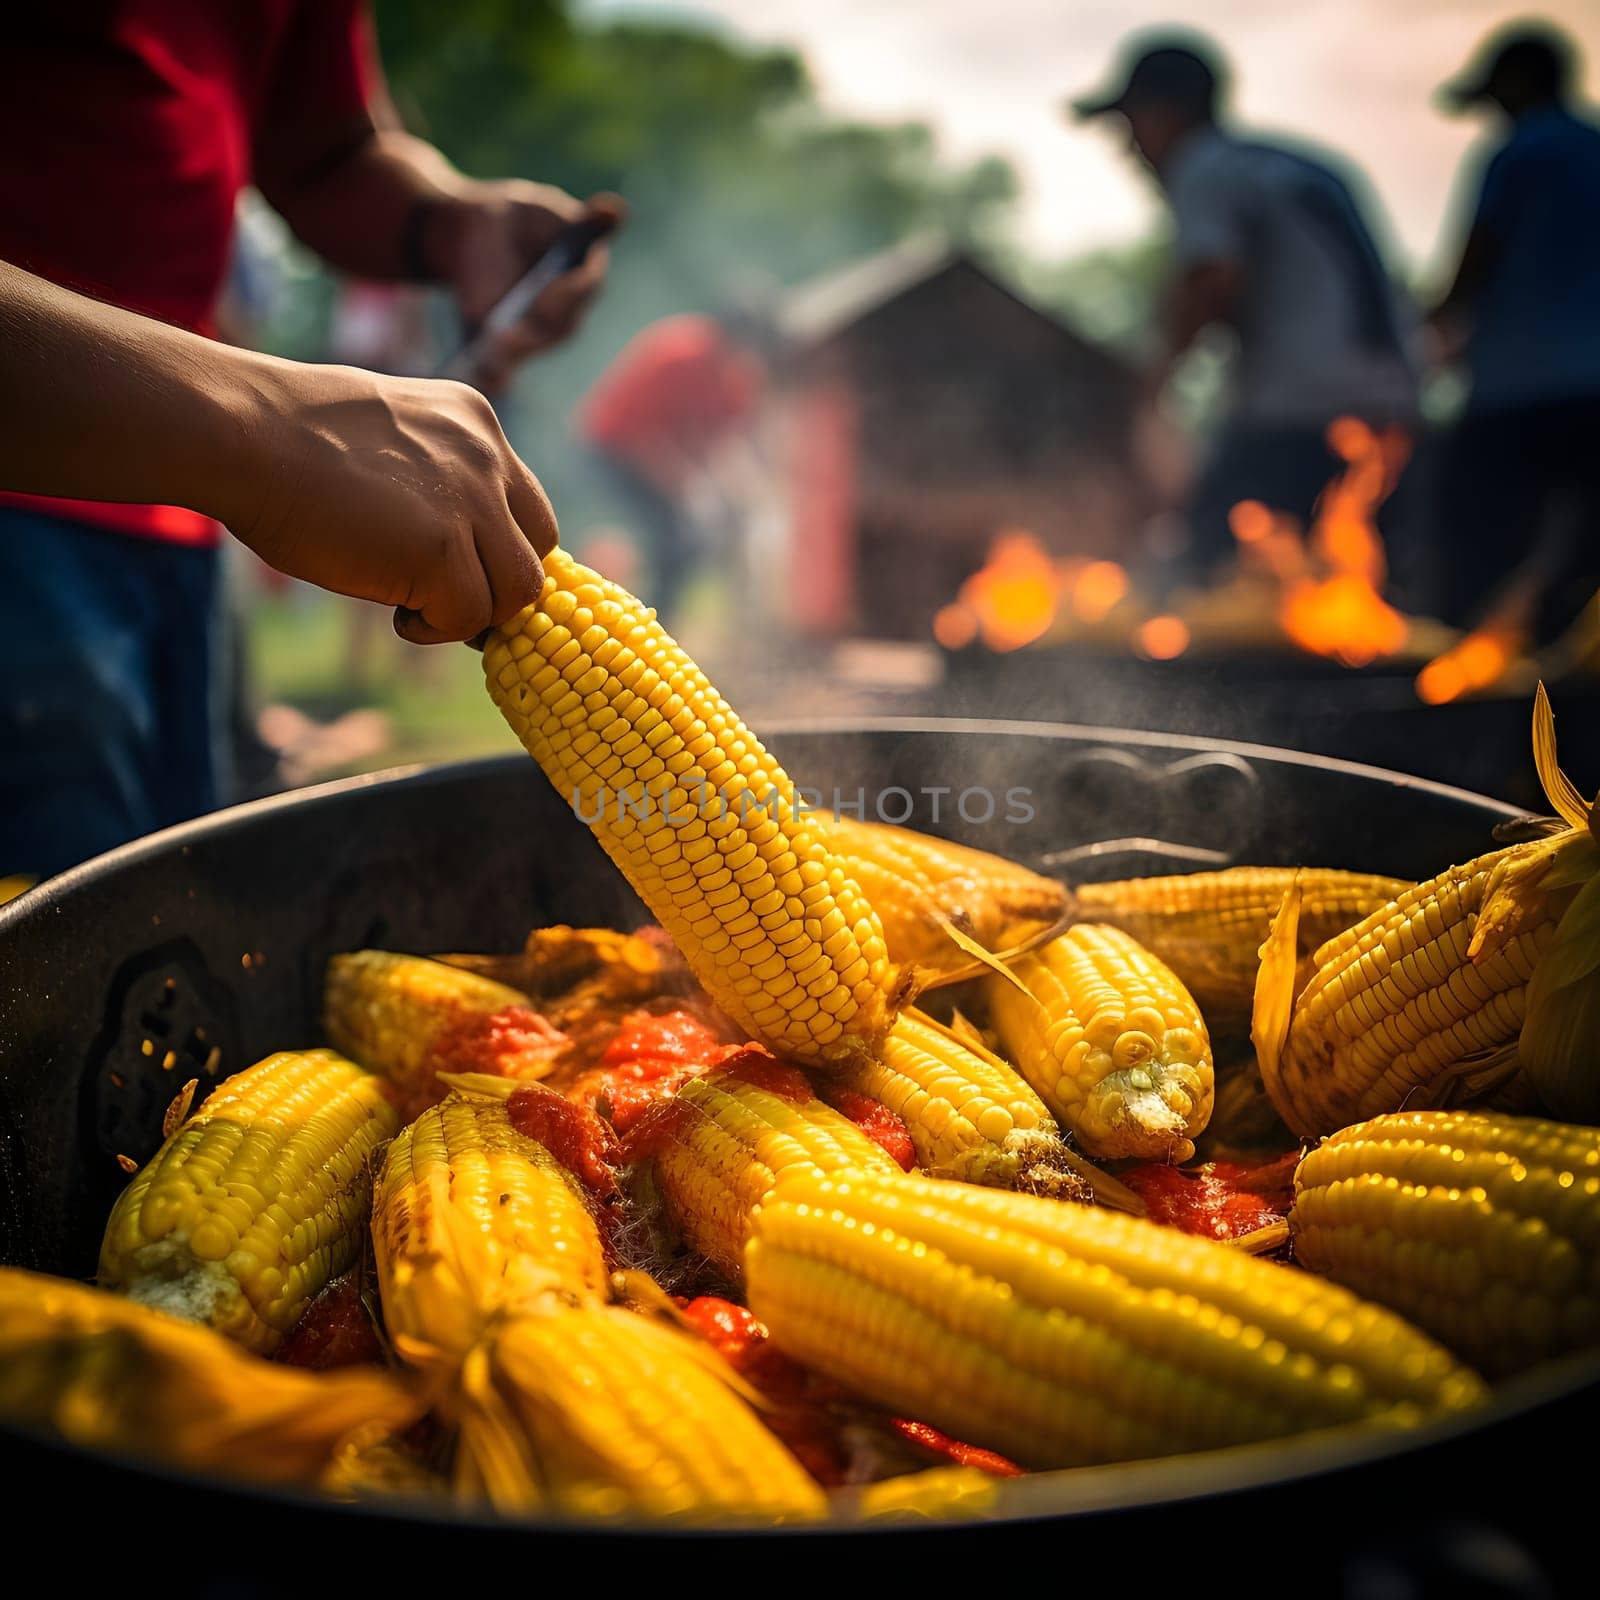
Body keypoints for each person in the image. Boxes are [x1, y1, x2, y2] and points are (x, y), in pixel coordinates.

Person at [0, 7, 622, 879]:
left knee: (144, 931)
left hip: (182, 516)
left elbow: (326, 148)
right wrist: (263, 428)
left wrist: (447, 219)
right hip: (29, 507)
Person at [1071, 33, 1418, 584]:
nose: (1130, 149)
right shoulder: (1301, 166)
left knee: (1205, 574)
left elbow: (1213, 279)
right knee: (1349, 590)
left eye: (1131, 127)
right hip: (1393, 408)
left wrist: (1151, 390)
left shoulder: (1203, 167)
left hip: (1299, 408)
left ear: (1164, 116)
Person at [1427, 21, 1600, 646]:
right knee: (1583, 564)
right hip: (1592, 392)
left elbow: (1476, 262)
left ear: (1522, 83)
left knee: (1478, 550)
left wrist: (1426, 336)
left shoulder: (1518, 153)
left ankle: (1463, 689)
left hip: (1515, 393)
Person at [575, 315, 764, 626]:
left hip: (660, 460)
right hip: (613, 452)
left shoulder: (734, 380)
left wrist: (731, 492)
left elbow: (724, 442)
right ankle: (617, 623)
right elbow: (643, 438)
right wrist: (686, 491)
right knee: (663, 539)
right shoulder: (680, 357)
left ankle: (657, 629)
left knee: (685, 545)